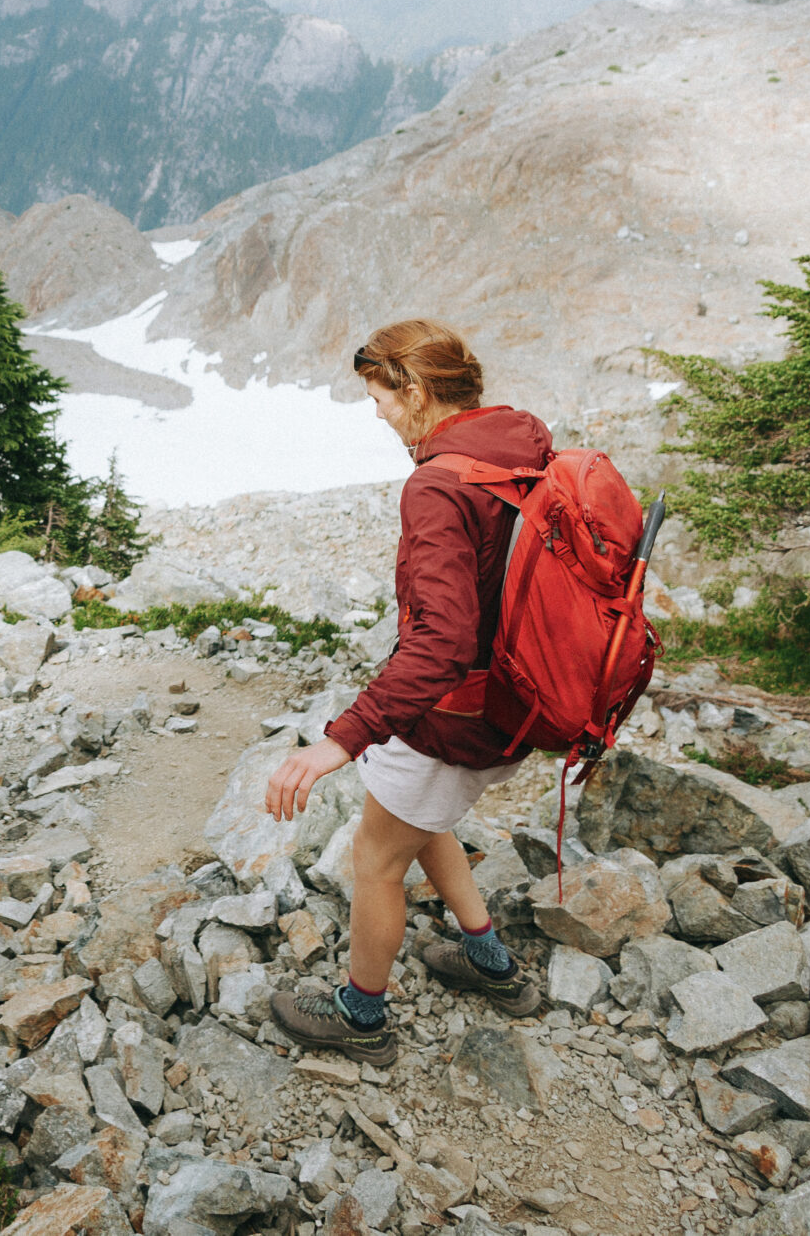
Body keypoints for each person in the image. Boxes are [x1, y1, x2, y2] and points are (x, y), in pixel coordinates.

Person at [261, 318, 549, 1065]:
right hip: (521, 703)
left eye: (380, 397)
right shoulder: (519, 448)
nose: (378, 413)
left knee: (376, 857)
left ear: (417, 392)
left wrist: (341, 737)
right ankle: (493, 967)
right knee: (422, 816)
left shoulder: (438, 484)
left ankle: (361, 1017)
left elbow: (443, 642)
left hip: (455, 714)